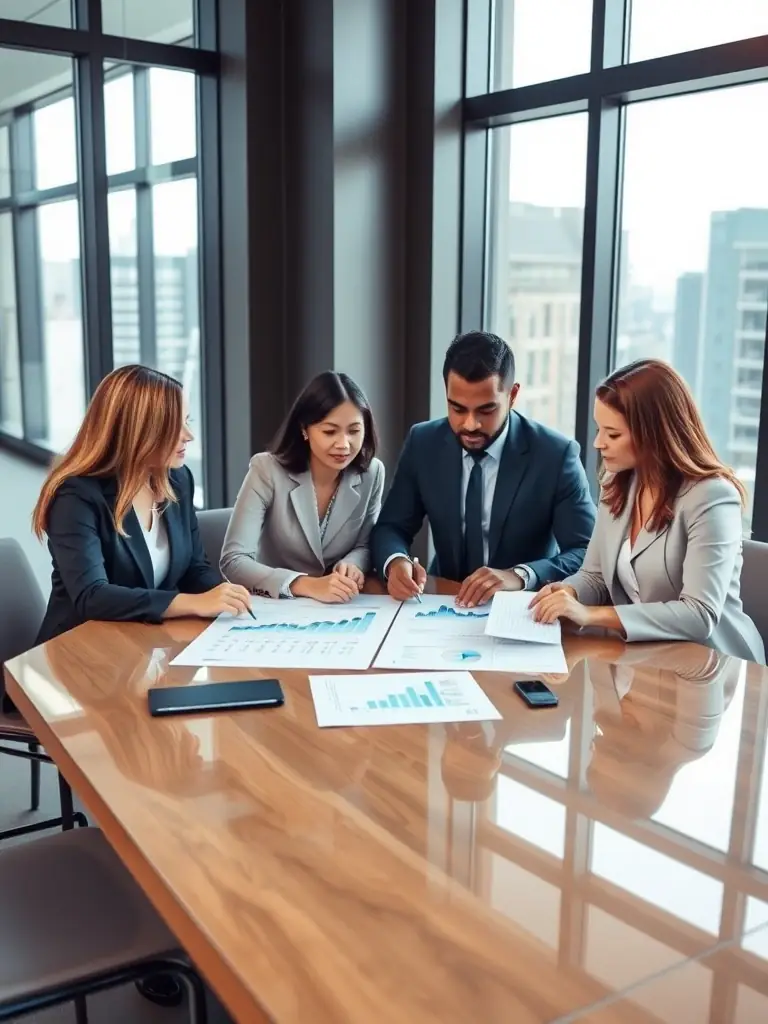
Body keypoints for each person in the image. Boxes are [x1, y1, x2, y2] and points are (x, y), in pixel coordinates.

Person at [530, 359, 765, 663]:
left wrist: (590, 615)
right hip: (646, 656)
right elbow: (596, 576)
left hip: (715, 664)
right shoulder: (618, 483)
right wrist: (569, 594)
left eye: (613, 434)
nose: (598, 443)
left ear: (654, 434)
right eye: (599, 429)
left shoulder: (712, 497)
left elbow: (699, 614)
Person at [32, 364, 252, 646]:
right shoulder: (75, 495)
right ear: (138, 432)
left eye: (188, 421)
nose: (188, 435)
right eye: (175, 426)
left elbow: (193, 568)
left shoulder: (178, 478)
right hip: (80, 654)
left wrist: (224, 594)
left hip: (143, 645)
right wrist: (192, 603)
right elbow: (93, 596)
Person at [371, 331, 596, 606]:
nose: (470, 424)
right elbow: (391, 527)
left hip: (520, 607)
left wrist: (520, 575)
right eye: (457, 408)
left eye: (486, 410)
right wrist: (395, 562)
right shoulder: (423, 442)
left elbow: (587, 551)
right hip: (442, 599)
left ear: (512, 396)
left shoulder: (555, 455)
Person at [221, 371, 384, 602]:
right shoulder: (266, 470)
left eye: (354, 431)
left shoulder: (372, 472)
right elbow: (233, 560)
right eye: (329, 431)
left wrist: (352, 564)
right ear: (304, 429)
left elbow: (366, 545)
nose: (344, 444)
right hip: (275, 606)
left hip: (340, 605)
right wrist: (305, 584)